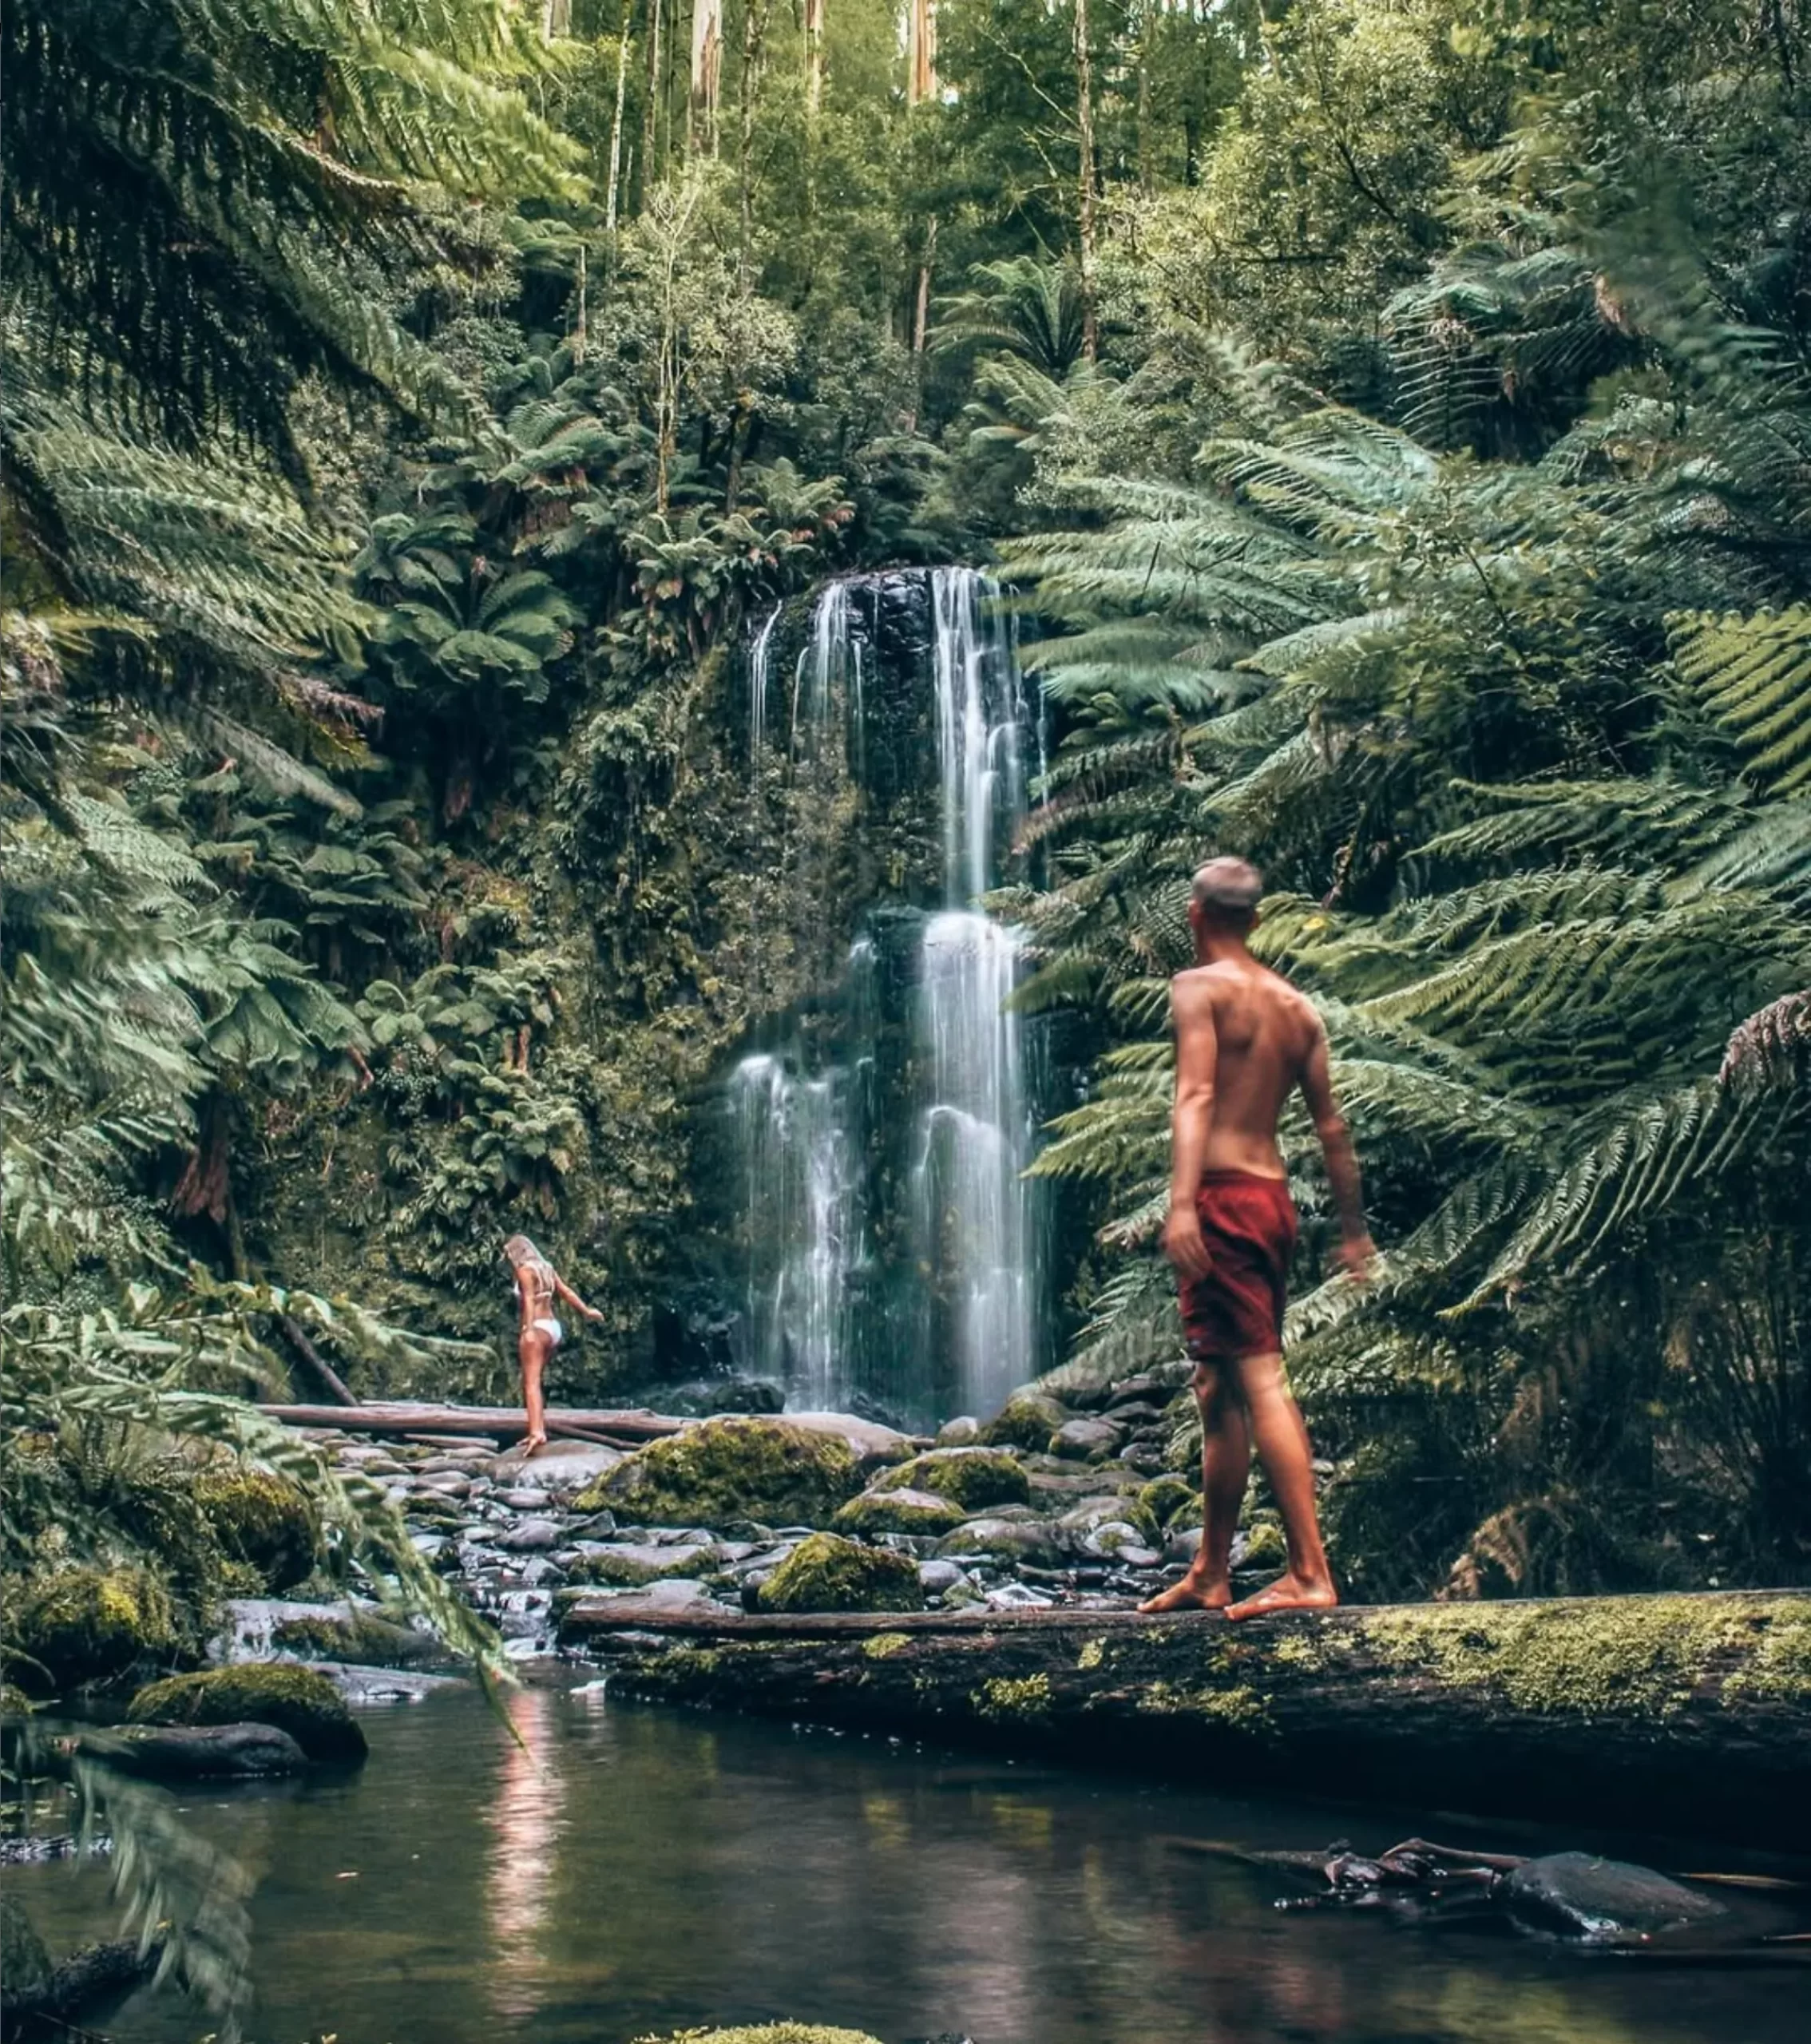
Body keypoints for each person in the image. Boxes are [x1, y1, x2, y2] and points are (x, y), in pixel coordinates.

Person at [1139, 857, 1375, 1622]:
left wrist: (1181, 1206)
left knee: (1259, 1377)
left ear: (1196, 913)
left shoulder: (1196, 989)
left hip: (1223, 1201)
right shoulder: (1296, 1007)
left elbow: (1197, 1092)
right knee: (1217, 1384)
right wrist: (1352, 1231)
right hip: (1273, 1200)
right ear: (1257, 919)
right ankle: (1212, 1570)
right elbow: (1331, 1128)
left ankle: (1310, 1571)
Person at [502, 1234, 603, 1453]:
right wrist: (587, 1311)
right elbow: (565, 1291)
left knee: (531, 1383)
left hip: (537, 1328)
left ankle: (537, 1432)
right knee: (535, 1381)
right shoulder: (546, 1267)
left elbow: (529, 1299)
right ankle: (538, 1426)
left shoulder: (525, 1270)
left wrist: (528, 1329)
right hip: (553, 1328)